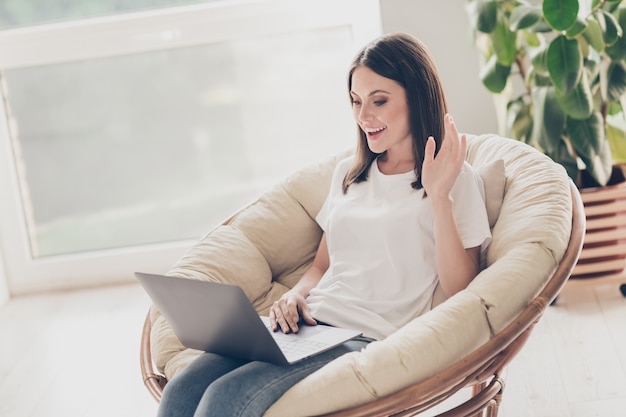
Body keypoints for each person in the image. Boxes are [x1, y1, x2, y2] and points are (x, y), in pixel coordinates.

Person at [156, 32, 491, 417]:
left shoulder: (454, 179)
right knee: (181, 391)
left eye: (379, 101)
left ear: (416, 96)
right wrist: (295, 296)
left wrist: (439, 195)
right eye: (356, 102)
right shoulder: (349, 176)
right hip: (307, 323)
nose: (364, 116)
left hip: (364, 337)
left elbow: (462, 288)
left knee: (226, 400)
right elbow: (321, 266)